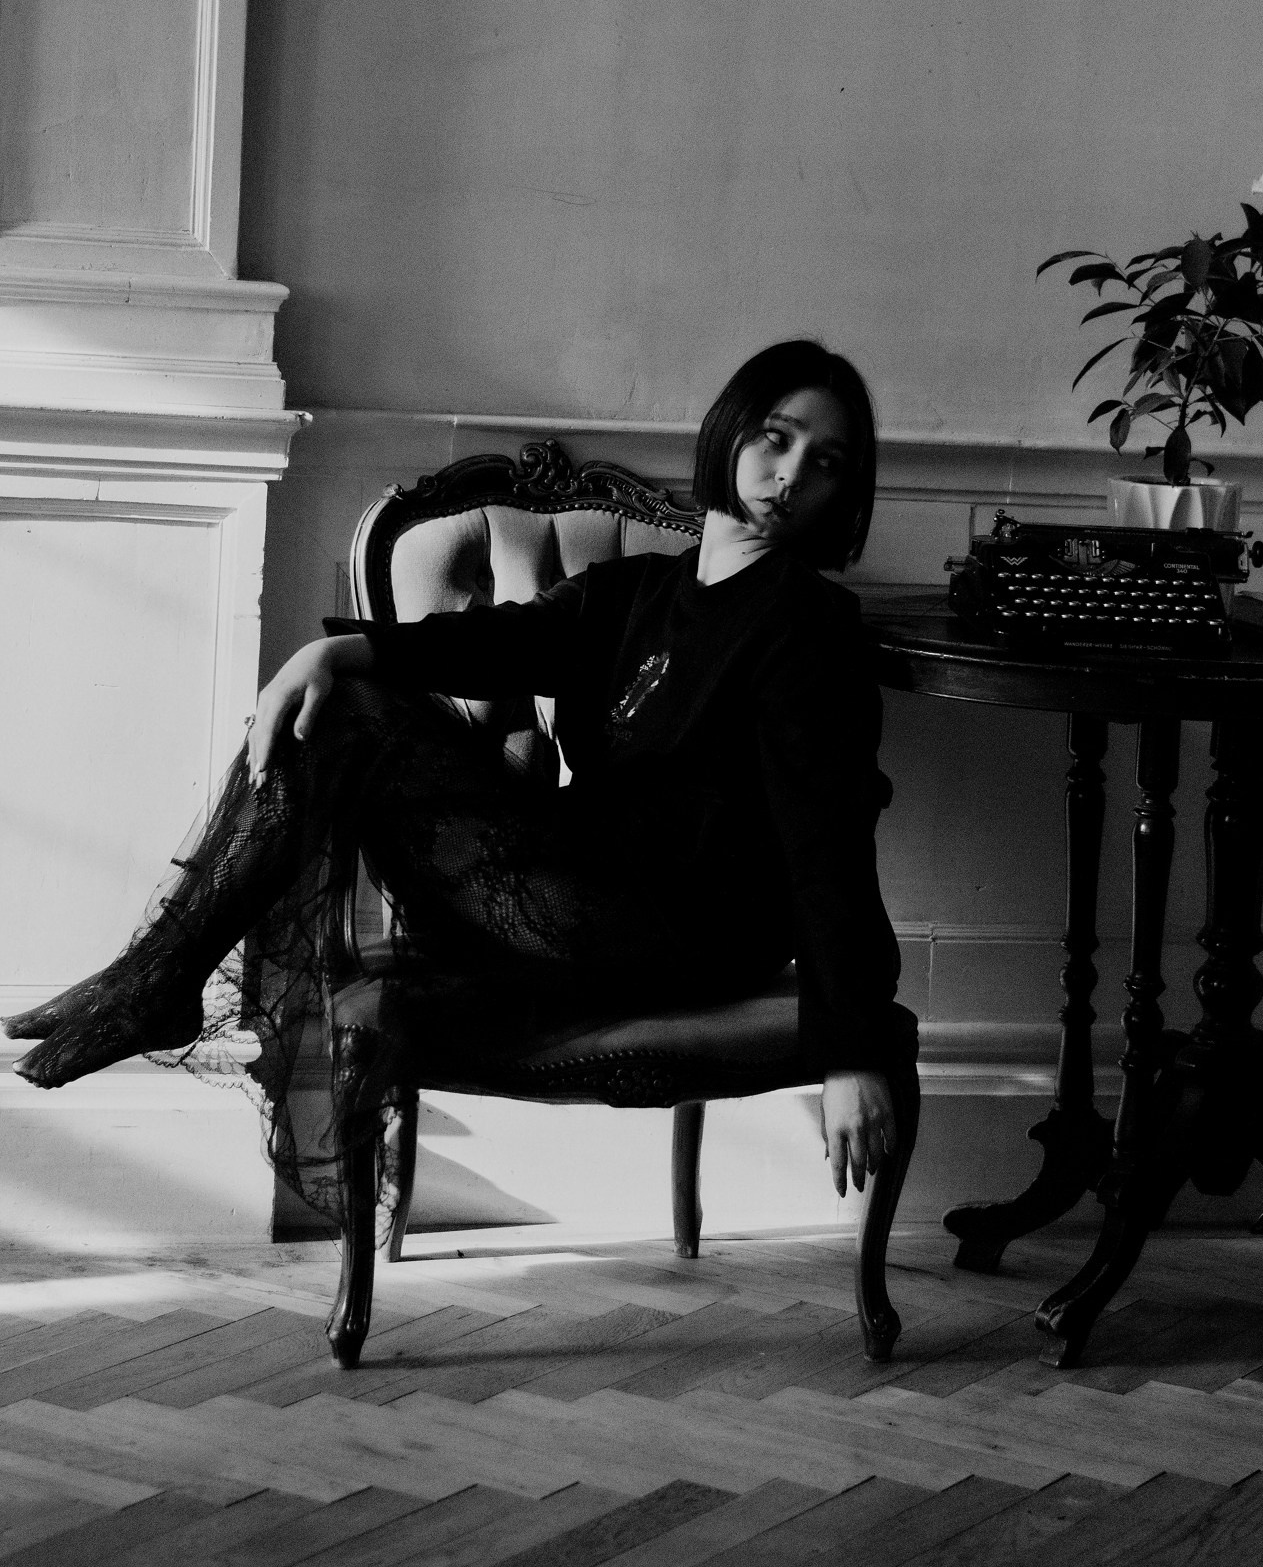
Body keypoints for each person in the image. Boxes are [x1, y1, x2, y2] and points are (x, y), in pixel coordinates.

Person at [6, 339, 907, 1205]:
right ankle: (159, 980)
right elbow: (484, 644)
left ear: (843, 490)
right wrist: (332, 653)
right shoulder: (633, 593)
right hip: (586, 891)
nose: (791, 474)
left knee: (350, 716)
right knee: (341, 702)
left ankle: (156, 981)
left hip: (681, 937)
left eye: (824, 462)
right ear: (731, 431)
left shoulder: (808, 628)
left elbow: (826, 849)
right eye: (775, 438)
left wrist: (852, 1053)